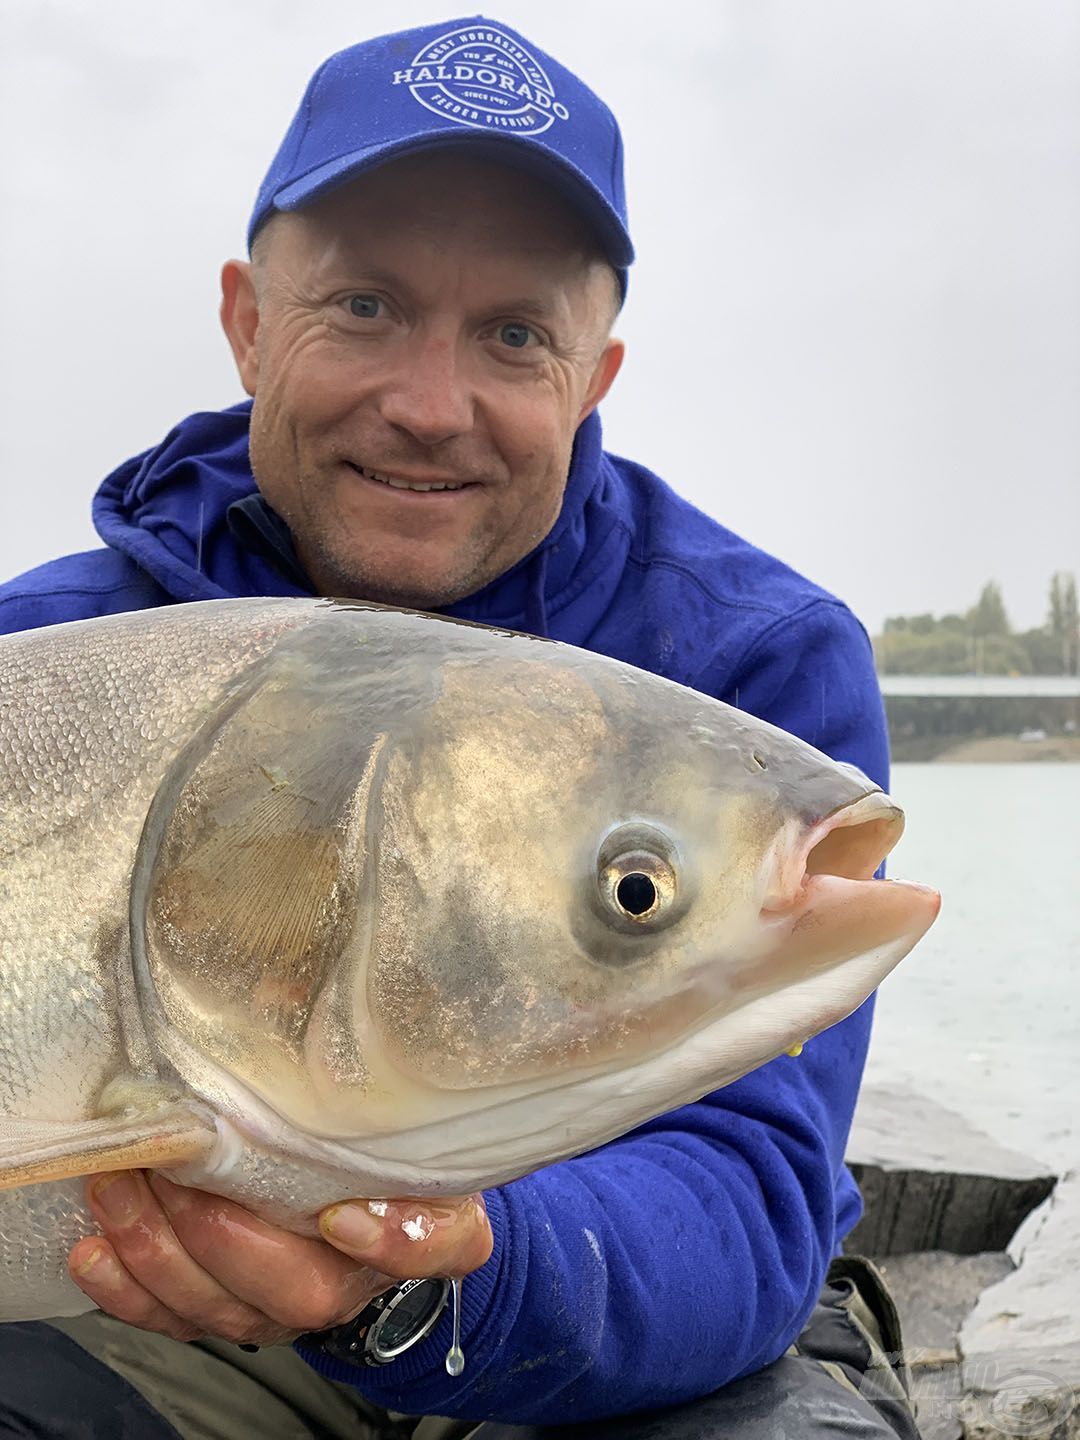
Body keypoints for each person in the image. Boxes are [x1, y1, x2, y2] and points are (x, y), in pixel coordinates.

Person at [0, 16, 919, 1440]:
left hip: (589, 1308)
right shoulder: (49, 651)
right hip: (128, 1318)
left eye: (512, 335)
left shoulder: (758, 670)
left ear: (595, 373)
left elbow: (746, 1189)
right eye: (363, 307)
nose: (431, 407)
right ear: (249, 322)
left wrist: (403, 1277)